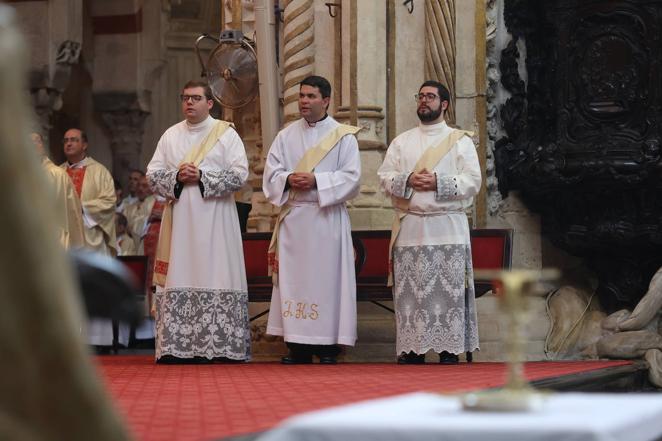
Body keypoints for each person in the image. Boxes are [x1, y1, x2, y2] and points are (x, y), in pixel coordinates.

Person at [377, 80, 481, 364]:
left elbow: (473, 181)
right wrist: (407, 179)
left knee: (447, 292)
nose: (424, 101)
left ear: (444, 104)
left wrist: (438, 182)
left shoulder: (460, 141)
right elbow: (384, 176)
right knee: (413, 293)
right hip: (411, 225)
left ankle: (448, 349)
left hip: (447, 224)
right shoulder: (402, 141)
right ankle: (413, 348)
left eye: (431, 97)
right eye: (421, 96)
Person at [146, 80, 250, 363]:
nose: (189, 103)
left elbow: (240, 174)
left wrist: (202, 176)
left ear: (210, 103)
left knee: (215, 271)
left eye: (195, 98)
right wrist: (177, 177)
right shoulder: (170, 135)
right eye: (185, 98)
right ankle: (178, 348)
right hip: (180, 220)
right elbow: (153, 174)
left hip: (216, 218)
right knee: (183, 269)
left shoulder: (226, 135)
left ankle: (219, 348)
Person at [262, 75, 361, 364]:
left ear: (326, 100)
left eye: (311, 96)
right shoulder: (286, 135)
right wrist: (289, 178)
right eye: (301, 96)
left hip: (326, 218)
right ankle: (297, 345)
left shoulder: (343, 136)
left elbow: (352, 178)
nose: (304, 101)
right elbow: (271, 174)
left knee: (327, 281)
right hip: (295, 220)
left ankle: (328, 346)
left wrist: (317, 181)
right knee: (295, 283)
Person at [61, 127, 119, 351]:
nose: (68, 144)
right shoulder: (56, 173)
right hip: (65, 241)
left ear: (84, 144)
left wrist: (79, 208)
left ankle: (97, 340)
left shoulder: (99, 172)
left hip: (90, 237)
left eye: (74, 140)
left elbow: (108, 201)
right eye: (65, 140)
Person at [31, 132, 85, 249]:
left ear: (42, 147)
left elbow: (68, 213)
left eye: (36, 142)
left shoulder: (56, 174)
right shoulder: (22, 175)